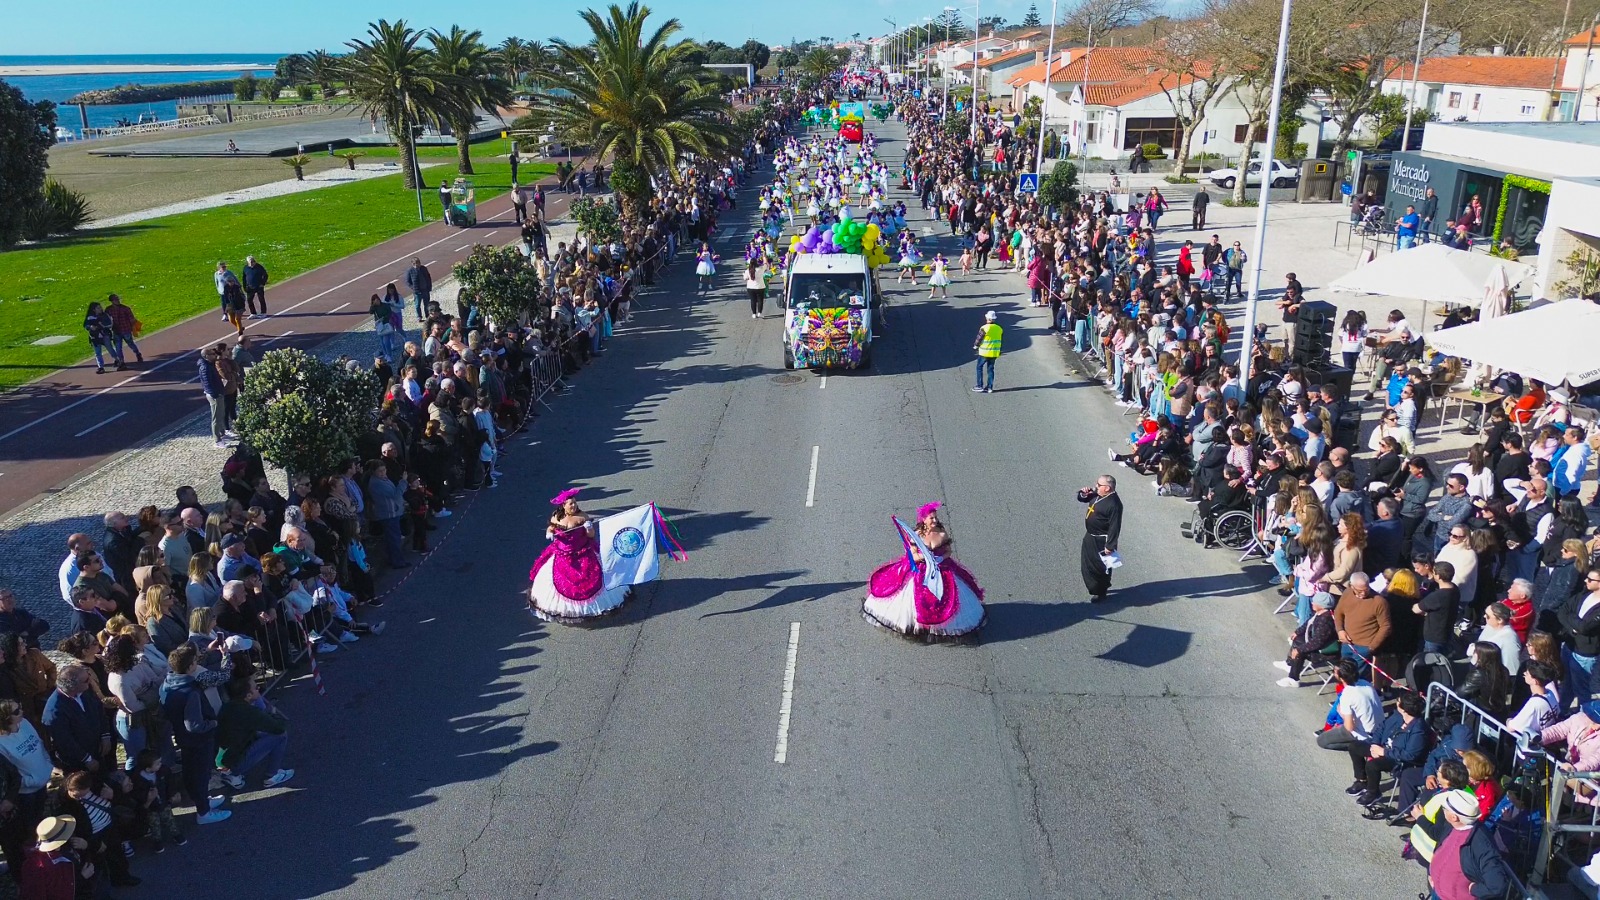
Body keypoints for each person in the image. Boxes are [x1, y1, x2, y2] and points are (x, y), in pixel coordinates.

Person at [862, 502, 985, 638]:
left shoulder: (942, 534)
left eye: (935, 518)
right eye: (931, 518)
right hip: (920, 569)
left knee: (945, 596)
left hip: (940, 568)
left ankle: (938, 626)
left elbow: (948, 552)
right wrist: (925, 557)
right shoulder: (916, 535)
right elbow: (913, 556)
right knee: (917, 598)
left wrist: (940, 558)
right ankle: (920, 626)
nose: (935, 520)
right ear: (924, 520)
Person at [527, 488, 632, 623]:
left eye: (575, 503)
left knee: (593, 578)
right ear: (563, 506)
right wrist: (549, 533)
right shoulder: (556, 517)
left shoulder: (583, 517)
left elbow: (591, 535)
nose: (574, 505)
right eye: (570, 504)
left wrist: (588, 528)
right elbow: (551, 528)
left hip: (582, 551)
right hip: (562, 554)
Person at [158, 645, 230, 824]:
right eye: (195, 661)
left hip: (183, 738)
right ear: (190, 667)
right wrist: (213, 723)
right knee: (200, 774)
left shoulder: (167, 683)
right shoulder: (190, 691)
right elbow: (194, 725)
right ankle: (203, 813)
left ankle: (203, 800)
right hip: (198, 740)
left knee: (192, 773)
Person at [1427, 790, 1512, 900]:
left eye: (1444, 809)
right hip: (1437, 892)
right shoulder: (1452, 826)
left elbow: (1497, 885)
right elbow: (1442, 846)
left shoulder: (1481, 844)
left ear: (1454, 817)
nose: (1442, 811)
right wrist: (1432, 872)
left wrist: (1474, 889)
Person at [214, 678, 293, 791]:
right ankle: (272, 776)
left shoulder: (227, 706)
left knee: (260, 734)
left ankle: (230, 775)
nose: (259, 689)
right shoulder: (248, 712)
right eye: (256, 688)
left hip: (220, 760)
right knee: (280, 736)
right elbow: (279, 728)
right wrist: (273, 714)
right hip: (232, 762)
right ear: (248, 695)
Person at [1351, 691, 1427, 807]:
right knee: (1354, 746)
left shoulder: (1418, 730)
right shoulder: (1397, 715)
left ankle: (1373, 792)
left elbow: (1409, 755)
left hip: (1397, 758)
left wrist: (1383, 752)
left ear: (1404, 709)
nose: (1396, 702)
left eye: (1398, 701)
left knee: (1373, 765)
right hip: (1382, 747)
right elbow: (1381, 727)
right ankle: (1362, 780)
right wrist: (1374, 745)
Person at [1275, 591, 1338, 686]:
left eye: (1315, 602)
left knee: (1299, 651)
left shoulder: (1325, 621)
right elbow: (1308, 623)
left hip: (1323, 651)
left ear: (1322, 605)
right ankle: (1290, 663)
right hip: (1316, 641)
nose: (1312, 603)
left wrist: (1299, 650)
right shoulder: (1320, 613)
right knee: (1297, 640)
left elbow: (1317, 643)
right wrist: (1297, 632)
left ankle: (1293, 679)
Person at [1078, 475, 1124, 604]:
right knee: (1087, 565)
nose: (1095, 486)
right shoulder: (1098, 494)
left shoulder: (1114, 504)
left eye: (1099, 485)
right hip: (1090, 536)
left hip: (1102, 541)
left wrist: (1110, 545)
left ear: (1107, 488)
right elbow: (1082, 498)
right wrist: (1083, 493)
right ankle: (1095, 587)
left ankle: (1100, 590)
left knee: (1100, 568)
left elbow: (1115, 526)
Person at [972, 310, 1002, 394]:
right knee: (990, 369)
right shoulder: (999, 328)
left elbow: (979, 338)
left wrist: (975, 346)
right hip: (994, 352)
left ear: (987, 318)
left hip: (984, 352)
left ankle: (979, 385)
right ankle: (989, 387)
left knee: (979, 367)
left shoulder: (984, 328)